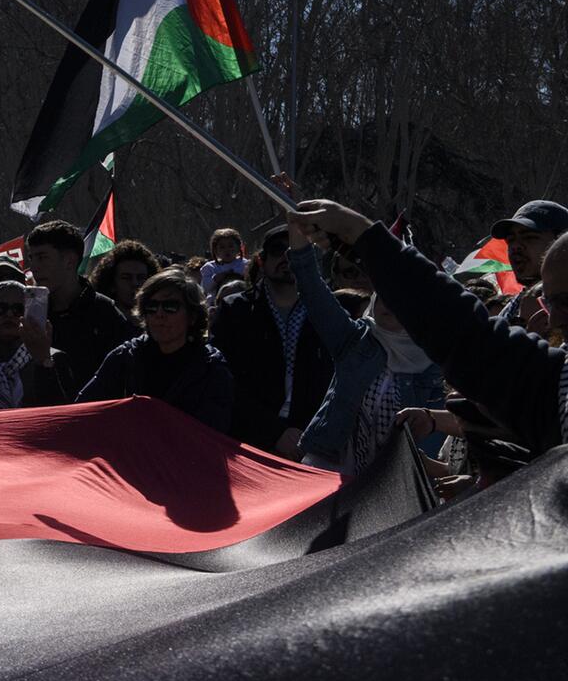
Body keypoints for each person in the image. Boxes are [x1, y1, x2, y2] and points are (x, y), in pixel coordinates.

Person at [289, 198, 567, 457]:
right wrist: (363, 240)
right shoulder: (358, 340)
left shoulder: (433, 362)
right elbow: (466, 334)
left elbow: (470, 337)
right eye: (549, 303)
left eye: (564, 303)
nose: (553, 320)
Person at [283, 217, 444, 477]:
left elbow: (435, 433)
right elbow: (311, 287)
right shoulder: (355, 340)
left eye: (399, 298)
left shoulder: (435, 362)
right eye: (384, 296)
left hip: (393, 483)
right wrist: (297, 227)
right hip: (329, 471)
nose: (388, 305)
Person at [211, 223, 333, 456]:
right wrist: (274, 432)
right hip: (248, 443)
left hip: (313, 444)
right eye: (278, 251)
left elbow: (338, 380)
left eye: (296, 252)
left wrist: (310, 432)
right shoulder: (235, 309)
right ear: (261, 261)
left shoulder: (329, 312)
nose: (287, 258)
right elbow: (222, 379)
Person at [78, 268, 233, 433]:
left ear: (192, 316)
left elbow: (213, 433)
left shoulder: (211, 368)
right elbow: (82, 410)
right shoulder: (125, 357)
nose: (159, 314)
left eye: (170, 307)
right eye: (152, 307)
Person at [24, 219, 138, 393]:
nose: (34, 267)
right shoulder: (32, 313)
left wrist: (46, 360)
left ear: (69, 261)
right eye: (31, 258)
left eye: (42, 257)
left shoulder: (104, 314)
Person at [0, 279, 70, 410]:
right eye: (0, 308)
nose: (9, 315)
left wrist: (43, 361)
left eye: (18, 309)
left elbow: (62, 414)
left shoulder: (54, 358)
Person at [490, 199, 568, 326]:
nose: (515, 246)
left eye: (529, 237)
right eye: (510, 240)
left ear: (560, 242)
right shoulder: (510, 309)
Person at [89, 239, 159, 313]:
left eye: (141, 278)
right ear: (112, 283)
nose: (135, 283)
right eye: (126, 278)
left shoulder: (161, 321)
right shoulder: (96, 321)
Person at [198, 227, 247, 299]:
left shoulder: (245, 264)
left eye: (231, 246)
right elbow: (205, 288)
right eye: (222, 247)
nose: (227, 250)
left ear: (238, 248)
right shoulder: (210, 267)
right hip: (216, 303)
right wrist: (215, 279)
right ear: (215, 250)